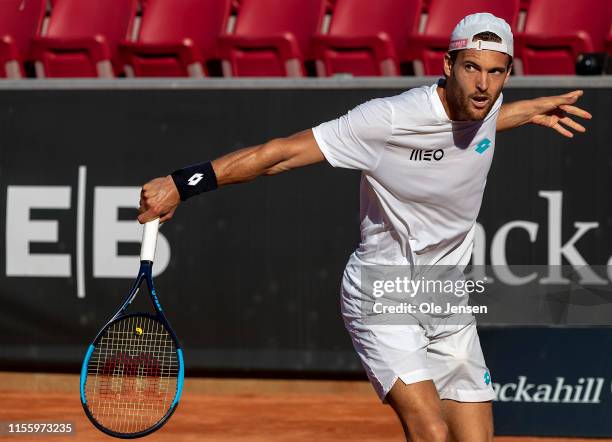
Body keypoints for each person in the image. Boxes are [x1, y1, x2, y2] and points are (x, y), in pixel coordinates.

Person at [138, 13, 592, 442]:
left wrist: (526, 110)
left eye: (496, 73)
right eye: (471, 68)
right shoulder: (389, 118)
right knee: (431, 432)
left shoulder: (486, 104)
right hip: (381, 291)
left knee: (476, 437)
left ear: (508, 74)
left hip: (447, 297)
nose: (482, 84)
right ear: (448, 64)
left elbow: (486, 117)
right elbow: (280, 154)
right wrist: (183, 184)